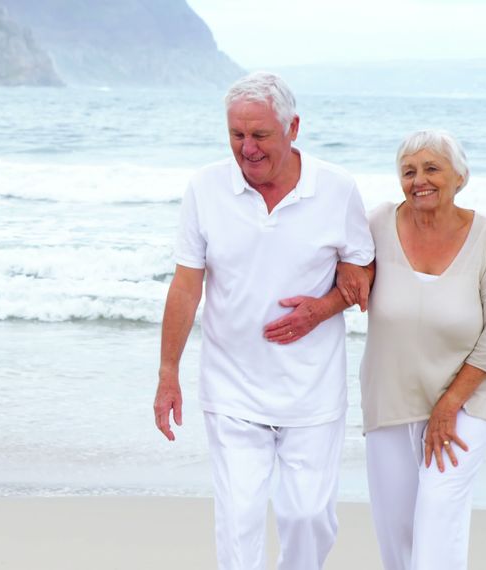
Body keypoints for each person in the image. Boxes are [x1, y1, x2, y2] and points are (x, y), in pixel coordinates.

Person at [152, 71, 374, 570]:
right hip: (231, 386)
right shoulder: (205, 188)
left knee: (308, 517)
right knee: (239, 520)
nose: (247, 149)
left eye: (259, 135)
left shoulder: (337, 189)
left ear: (293, 128)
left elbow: (364, 270)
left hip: (312, 388)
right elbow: (185, 286)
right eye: (236, 135)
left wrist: (322, 308)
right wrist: (168, 373)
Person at [359, 130, 486, 570]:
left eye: (432, 168)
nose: (419, 180)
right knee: (397, 530)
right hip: (390, 397)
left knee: (437, 509)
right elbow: (333, 262)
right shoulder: (377, 224)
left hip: (465, 401)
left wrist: (448, 406)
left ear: (459, 177)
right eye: (408, 171)